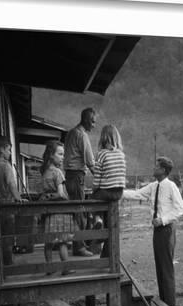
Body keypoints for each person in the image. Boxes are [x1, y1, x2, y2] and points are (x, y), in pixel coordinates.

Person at [123, 156, 183, 306]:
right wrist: (118, 191)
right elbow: (137, 194)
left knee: (166, 267)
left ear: (163, 170)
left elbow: (180, 209)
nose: (153, 168)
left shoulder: (171, 186)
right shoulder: (153, 186)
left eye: (156, 166)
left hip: (167, 229)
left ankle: (170, 305)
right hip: (157, 231)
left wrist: (163, 220)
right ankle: (164, 302)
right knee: (160, 266)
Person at [63, 107, 97, 257]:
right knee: (79, 212)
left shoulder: (70, 132)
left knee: (76, 211)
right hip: (77, 176)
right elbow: (90, 161)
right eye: (92, 121)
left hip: (69, 176)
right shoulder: (81, 135)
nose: (94, 125)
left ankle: (78, 243)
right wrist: (101, 178)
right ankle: (79, 247)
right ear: (85, 119)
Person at [40, 141, 76, 276]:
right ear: (51, 155)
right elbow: (61, 193)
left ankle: (49, 267)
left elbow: (44, 193)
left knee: (49, 242)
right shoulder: (58, 173)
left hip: (49, 212)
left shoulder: (45, 172)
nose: (62, 157)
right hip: (60, 211)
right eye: (60, 154)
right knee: (62, 241)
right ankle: (65, 268)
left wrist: (48, 197)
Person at [91, 125, 126, 257]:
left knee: (93, 199)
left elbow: (97, 177)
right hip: (118, 193)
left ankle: (98, 219)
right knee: (111, 223)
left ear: (103, 138)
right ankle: (106, 255)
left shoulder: (101, 154)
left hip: (105, 192)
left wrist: (95, 189)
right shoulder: (121, 154)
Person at [0, 141, 23, 265]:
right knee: (8, 236)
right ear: (1, 150)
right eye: (9, 150)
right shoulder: (6, 166)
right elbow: (11, 184)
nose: (10, 153)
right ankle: (8, 264)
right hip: (7, 203)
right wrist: (18, 197)